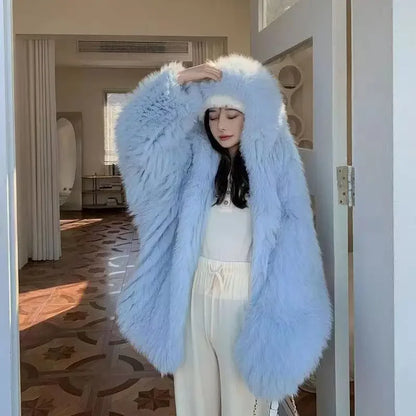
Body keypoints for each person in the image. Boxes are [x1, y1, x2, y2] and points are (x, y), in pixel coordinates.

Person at [114, 54, 333, 416]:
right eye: (213, 115)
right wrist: (178, 82)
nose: (221, 125)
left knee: (244, 404)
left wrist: (283, 315)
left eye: (232, 114)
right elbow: (137, 144)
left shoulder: (277, 163)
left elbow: (295, 242)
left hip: (246, 299)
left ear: (253, 114)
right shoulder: (191, 159)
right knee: (195, 403)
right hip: (194, 294)